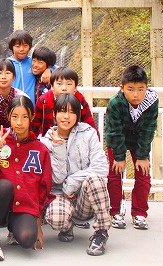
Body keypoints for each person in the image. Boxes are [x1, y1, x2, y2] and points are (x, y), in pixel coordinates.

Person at [0, 96, 52, 261]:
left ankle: (13, 226)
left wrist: (38, 224)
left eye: (24, 117)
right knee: (4, 185)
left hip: (24, 205)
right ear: (8, 116)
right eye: (15, 116)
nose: (19, 122)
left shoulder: (40, 149)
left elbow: (43, 186)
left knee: (27, 239)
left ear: (31, 117)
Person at [41, 94, 111, 256]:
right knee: (57, 218)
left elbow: (101, 168)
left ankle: (101, 232)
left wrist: (72, 182)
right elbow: (57, 179)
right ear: (54, 114)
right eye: (62, 111)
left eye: (72, 112)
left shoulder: (88, 134)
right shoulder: (45, 142)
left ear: (78, 115)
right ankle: (67, 226)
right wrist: (58, 147)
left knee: (95, 180)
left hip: (83, 197)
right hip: (60, 195)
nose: (66, 116)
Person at [105, 65, 159, 231]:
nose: (136, 95)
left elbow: (149, 128)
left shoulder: (152, 101)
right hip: (118, 138)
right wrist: (119, 157)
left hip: (139, 139)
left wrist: (142, 156)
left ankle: (140, 213)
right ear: (122, 88)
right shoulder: (115, 103)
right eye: (130, 89)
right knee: (115, 173)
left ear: (146, 88)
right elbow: (114, 131)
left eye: (140, 89)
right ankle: (115, 211)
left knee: (143, 173)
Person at [32, 67, 96, 137]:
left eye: (69, 84)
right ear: (52, 86)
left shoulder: (80, 100)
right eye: (59, 84)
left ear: (75, 87)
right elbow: (34, 127)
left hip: (76, 140)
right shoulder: (43, 100)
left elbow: (90, 125)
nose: (64, 88)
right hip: (50, 139)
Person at [7, 30, 51, 105]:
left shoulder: (33, 62)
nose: (22, 49)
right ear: (12, 47)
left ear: (30, 47)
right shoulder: (7, 64)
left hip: (32, 107)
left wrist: (48, 69)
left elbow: (58, 69)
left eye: (25, 45)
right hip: (13, 106)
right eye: (17, 46)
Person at [0, 59, 29, 131]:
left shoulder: (22, 97)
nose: (3, 77)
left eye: (8, 73)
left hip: (17, 135)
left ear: (14, 76)